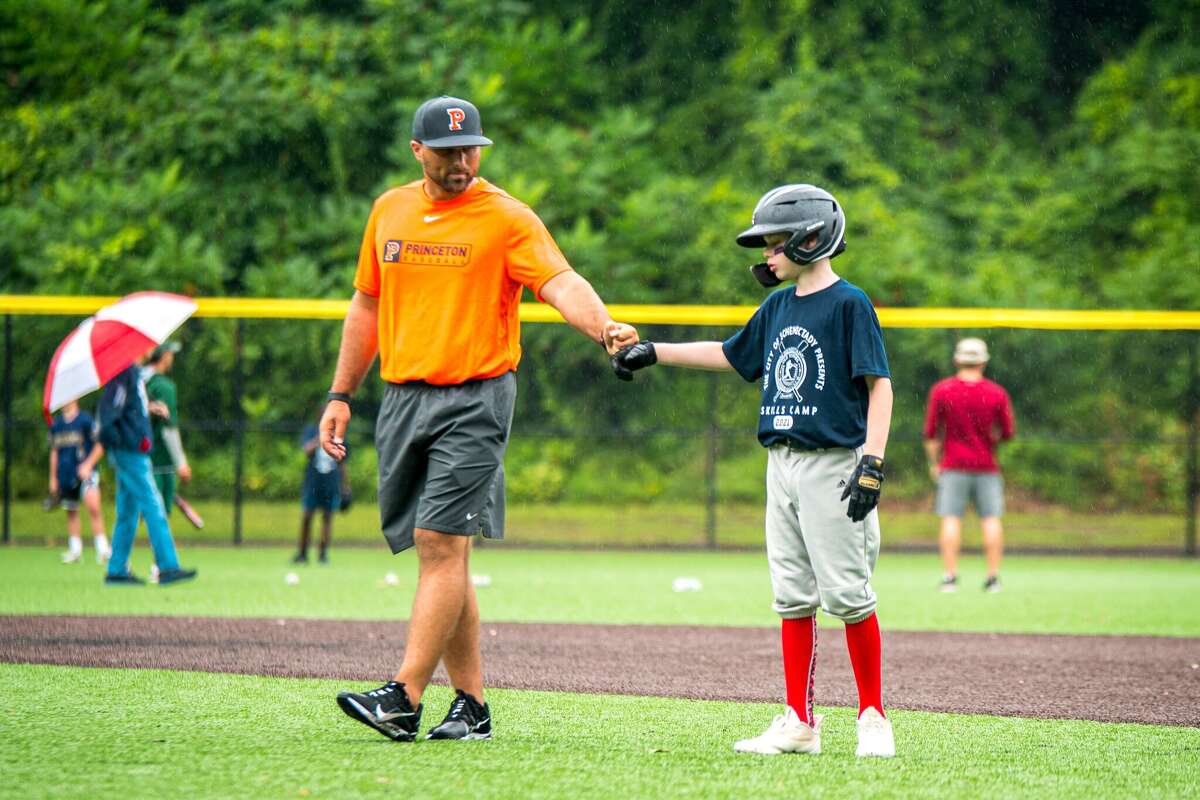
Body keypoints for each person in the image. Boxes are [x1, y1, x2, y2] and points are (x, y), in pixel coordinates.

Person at [323, 95, 637, 743]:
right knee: (444, 551)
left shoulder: (506, 218)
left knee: (439, 543)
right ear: (418, 151)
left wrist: (603, 326)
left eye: (470, 149)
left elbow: (560, 282)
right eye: (447, 151)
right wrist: (340, 394)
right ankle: (472, 707)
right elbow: (365, 307)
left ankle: (403, 696)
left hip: (475, 398)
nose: (461, 160)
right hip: (402, 398)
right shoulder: (389, 210)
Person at [612, 184, 896, 758]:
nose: (767, 253)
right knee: (792, 595)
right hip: (781, 463)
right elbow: (732, 354)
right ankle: (799, 722)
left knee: (848, 595)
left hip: (832, 465)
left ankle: (873, 716)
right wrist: (656, 351)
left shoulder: (850, 304)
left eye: (775, 242)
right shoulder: (779, 307)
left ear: (811, 239)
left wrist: (872, 461)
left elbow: (879, 384)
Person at [923, 337, 1015, 593]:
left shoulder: (942, 390)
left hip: (952, 465)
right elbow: (1007, 432)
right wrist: (989, 440)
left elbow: (931, 432)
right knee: (991, 519)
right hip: (987, 466)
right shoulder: (996, 393)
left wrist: (934, 463)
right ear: (983, 362)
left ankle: (950, 577)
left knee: (951, 519)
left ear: (957, 360)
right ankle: (993, 578)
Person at [97, 349, 197, 586]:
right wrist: (121, 442)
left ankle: (116, 569)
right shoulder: (124, 373)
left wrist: (148, 407)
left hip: (132, 451)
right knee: (153, 505)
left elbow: (127, 407)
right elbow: (109, 412)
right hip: (130, 453)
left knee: (128, 512)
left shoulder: (133, 373)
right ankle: (168, 566)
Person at [47, 400, 110, 564]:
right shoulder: (57, 424)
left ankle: (103, 549)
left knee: (94, 507)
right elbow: (54, 452)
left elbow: (100, 445)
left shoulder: (85, 420)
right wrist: (53, 478)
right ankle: (75, 550)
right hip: (66, 474)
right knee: (71, 511)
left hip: (86, 474)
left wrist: (88, 464)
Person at [144, 341, 192, 516]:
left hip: (141, 459)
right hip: (162, 461)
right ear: (164, 356)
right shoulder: (164, 387)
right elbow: (168, 428)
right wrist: (181, 462)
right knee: (159, 518)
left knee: (142, 515)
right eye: (170, 354)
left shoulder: (140, 382)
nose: (172, 358)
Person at [294, 417, 347, 564]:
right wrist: (321, 438)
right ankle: (302, 553)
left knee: (327, 517)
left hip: (330, 482)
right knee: (307, 516)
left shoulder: (339, 434)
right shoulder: (312, 430)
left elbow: (343, 462)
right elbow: (306, 450)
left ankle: (323, 554)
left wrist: (345, 486)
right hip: (313, 481)